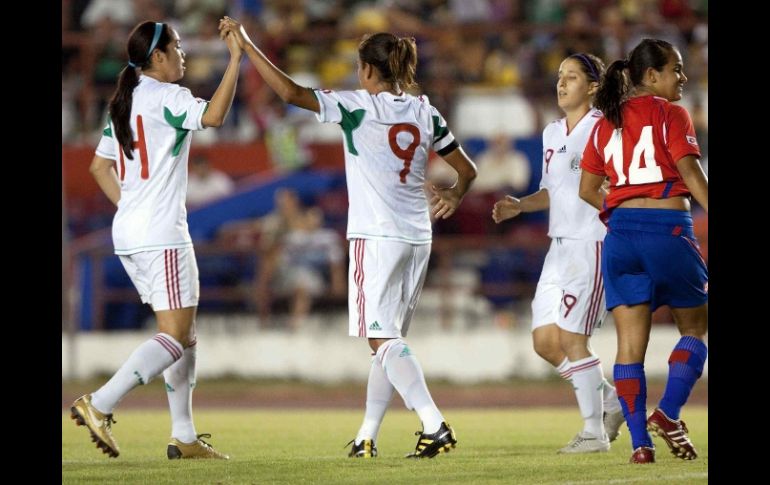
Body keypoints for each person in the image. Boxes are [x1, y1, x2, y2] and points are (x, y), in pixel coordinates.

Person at [221, 17, 477, 458]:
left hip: (376, 236)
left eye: (359, 67)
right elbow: (467, 170)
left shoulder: (358, 106)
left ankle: (434, 424)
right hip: (418, 235)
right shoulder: (425, 110)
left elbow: (288, 93)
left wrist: (245, 46)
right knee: (386, 340)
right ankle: (366, 436)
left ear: (369, 71)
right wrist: (454, 195)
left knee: (382, 339)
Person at [69, 19, 242, 460]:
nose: (183, 54)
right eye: (177, 47)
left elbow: (98, 168)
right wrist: (237, 58)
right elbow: (216, 116)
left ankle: (183, 436)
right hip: (161, 233)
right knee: (175, 334)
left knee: (186, 334)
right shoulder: (169, 97)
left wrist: (130, 204)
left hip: (130, 231)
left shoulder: (124, 103)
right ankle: (101, 402)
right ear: (158, 57)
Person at [578, 38, 708, 464]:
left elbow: (587, 191)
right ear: (651, 76)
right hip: (666, 230)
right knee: (695, 328)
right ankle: (668, 415)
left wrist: (621, 211)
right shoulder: (670, 113)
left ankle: (640, 444)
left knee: (629, 346)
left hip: (620, 237)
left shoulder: (604, 123)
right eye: (676, 69)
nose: (682, 78)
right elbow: (689, 170)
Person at [492, 53, 625, 454]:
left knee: (571, 338)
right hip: (559, 246)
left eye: (572, 76)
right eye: (559, 76)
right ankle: (609, 399)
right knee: (545, 342)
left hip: (592, 243)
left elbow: (614, 184)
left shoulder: (605, 129)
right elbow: (552, 190)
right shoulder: (552, 133)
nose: (562, 83)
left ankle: (593, 432)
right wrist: (520, 204)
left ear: (594, 86)